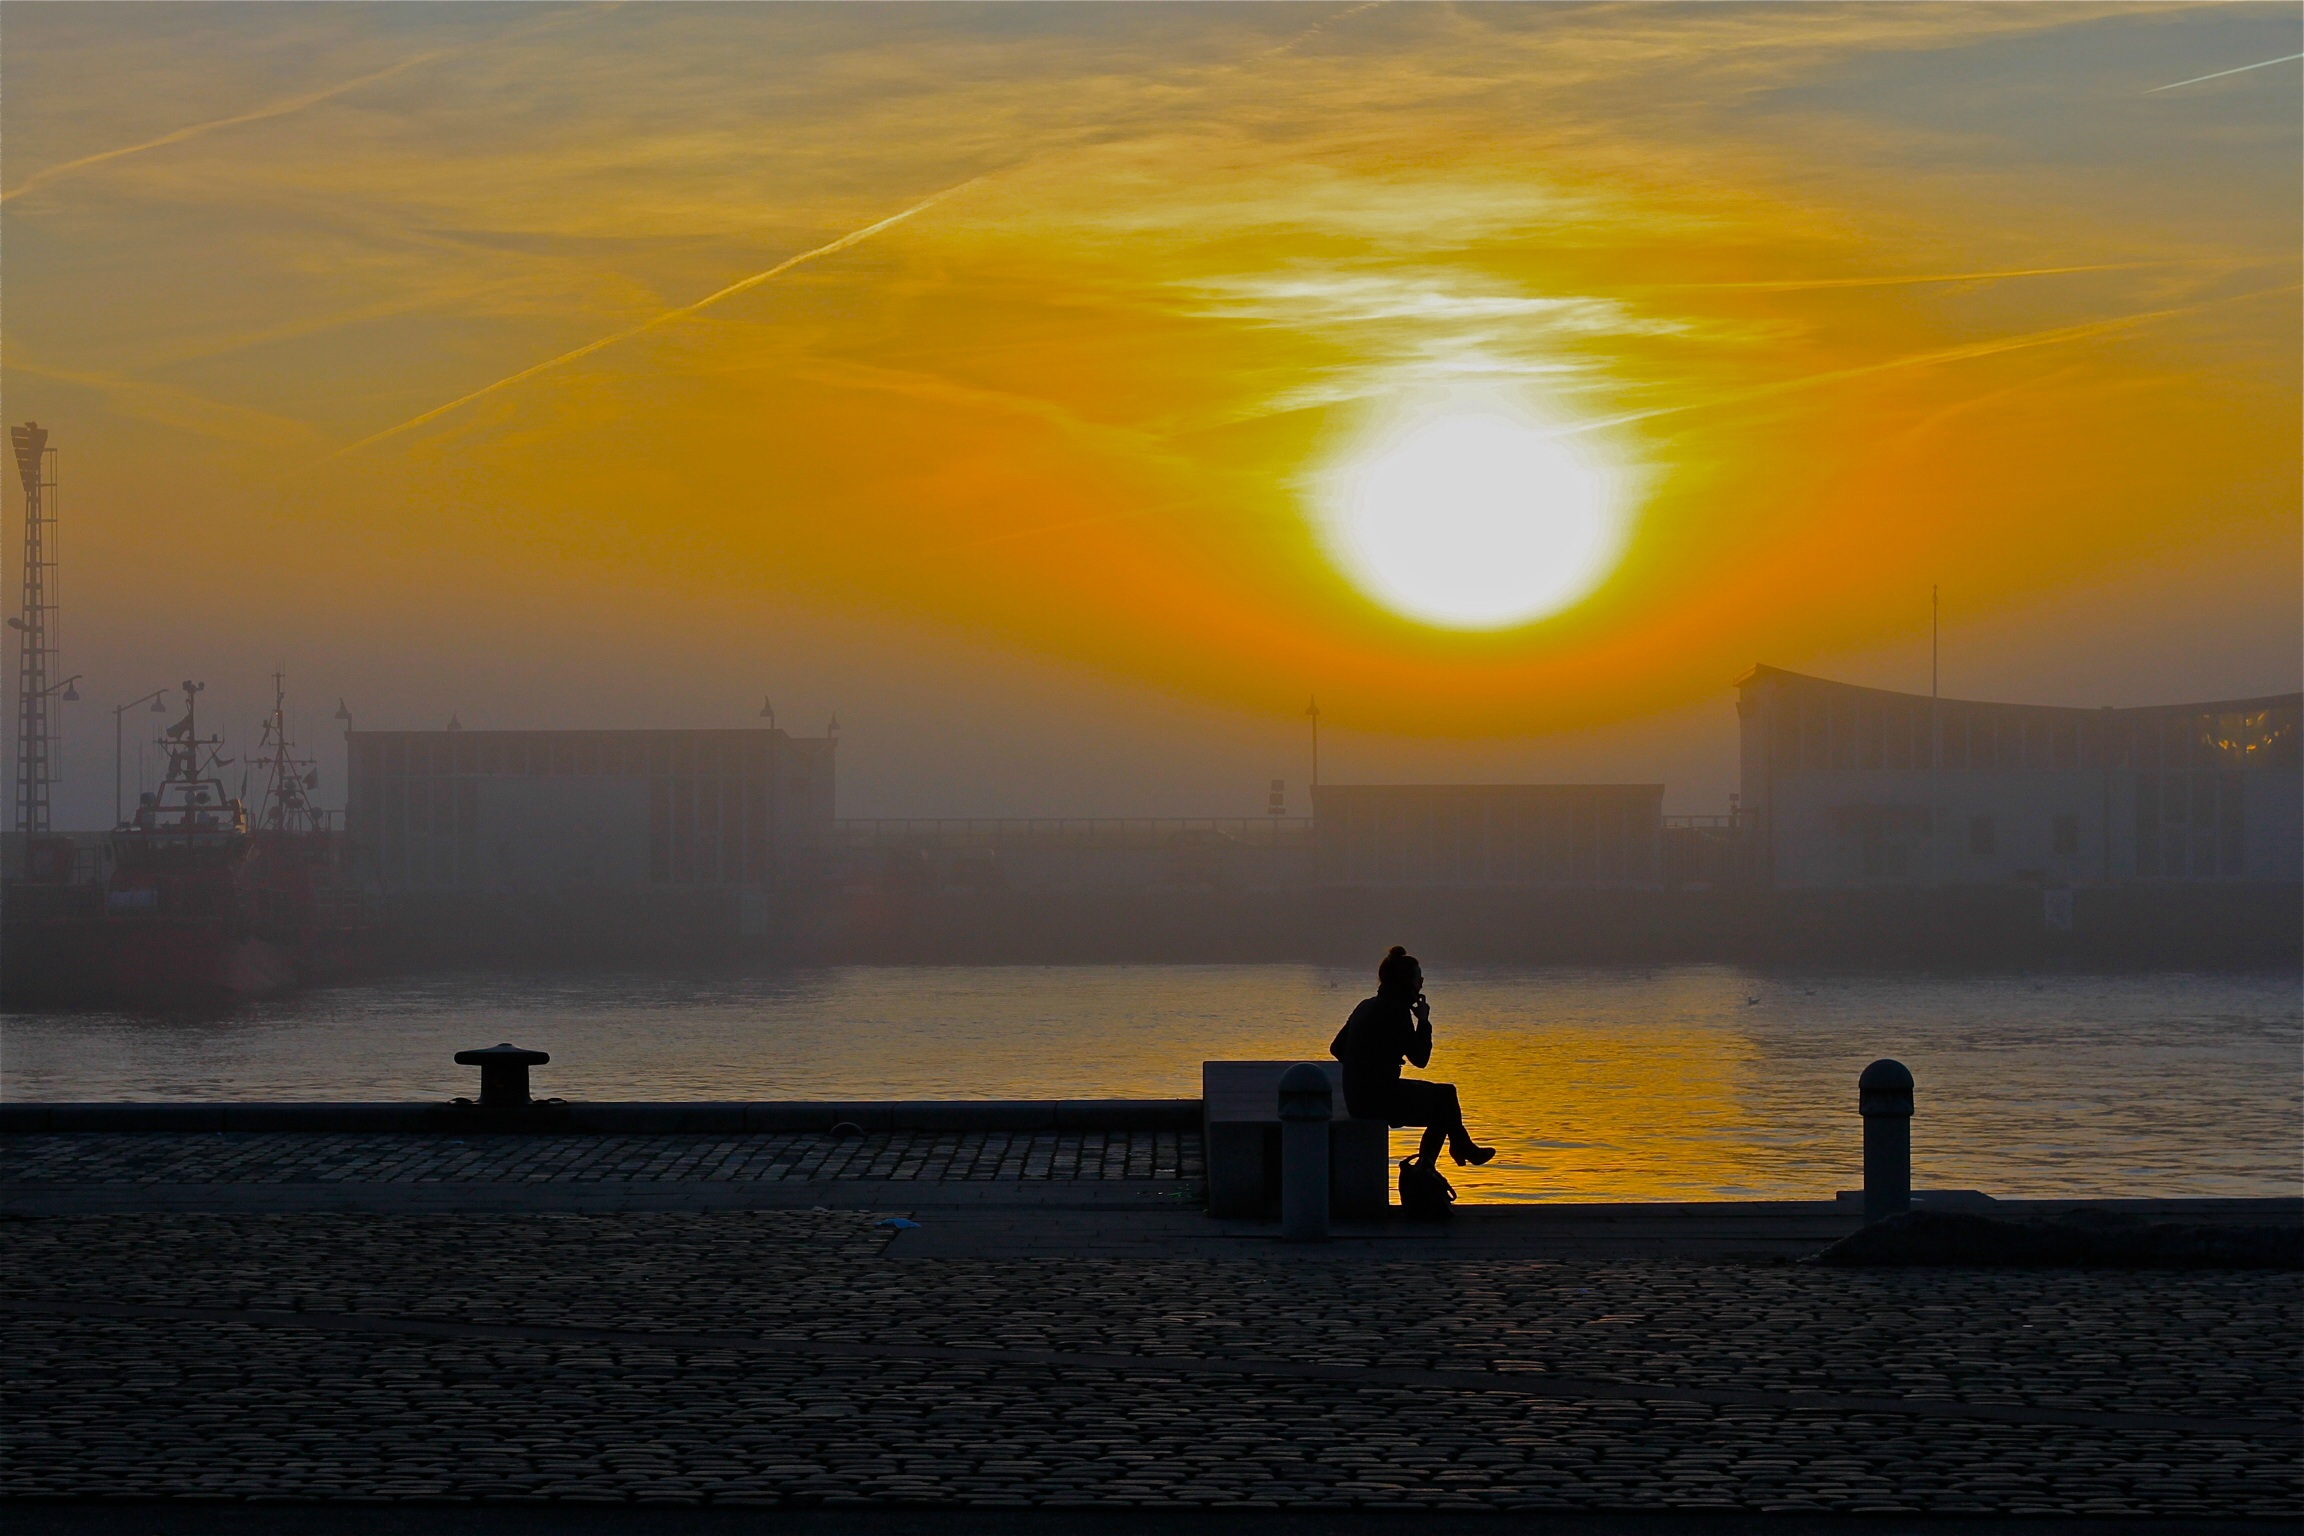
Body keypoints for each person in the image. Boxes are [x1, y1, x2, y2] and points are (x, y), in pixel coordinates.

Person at [1329, 945, 1494, 1168]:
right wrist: (1424, 1022)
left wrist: (1366, 1063)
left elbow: (1337, 1048)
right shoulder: (1396, 1011)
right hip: (1376, 1099)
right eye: (1418, 978)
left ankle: (1454, 1149)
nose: (1422, 982)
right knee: (1445, 1098)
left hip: (1357, 1097)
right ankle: (1440, 1160)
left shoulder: (1366, 1005)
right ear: (1407, 982)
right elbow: (1420, 1059)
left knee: (1444, 1105)